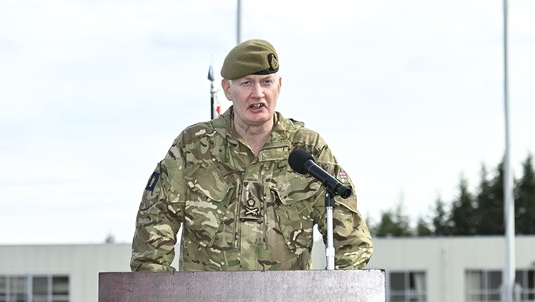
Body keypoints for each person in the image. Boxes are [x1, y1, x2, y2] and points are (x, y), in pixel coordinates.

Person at [131, 39, 373, 271]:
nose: (258, 93)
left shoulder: (308, 149)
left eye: (266, 82)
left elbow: (351, 240)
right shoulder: (193, 147)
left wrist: (332, 300)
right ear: (227, 89)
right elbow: (153, 231)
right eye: (246, 83)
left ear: (279, 86)